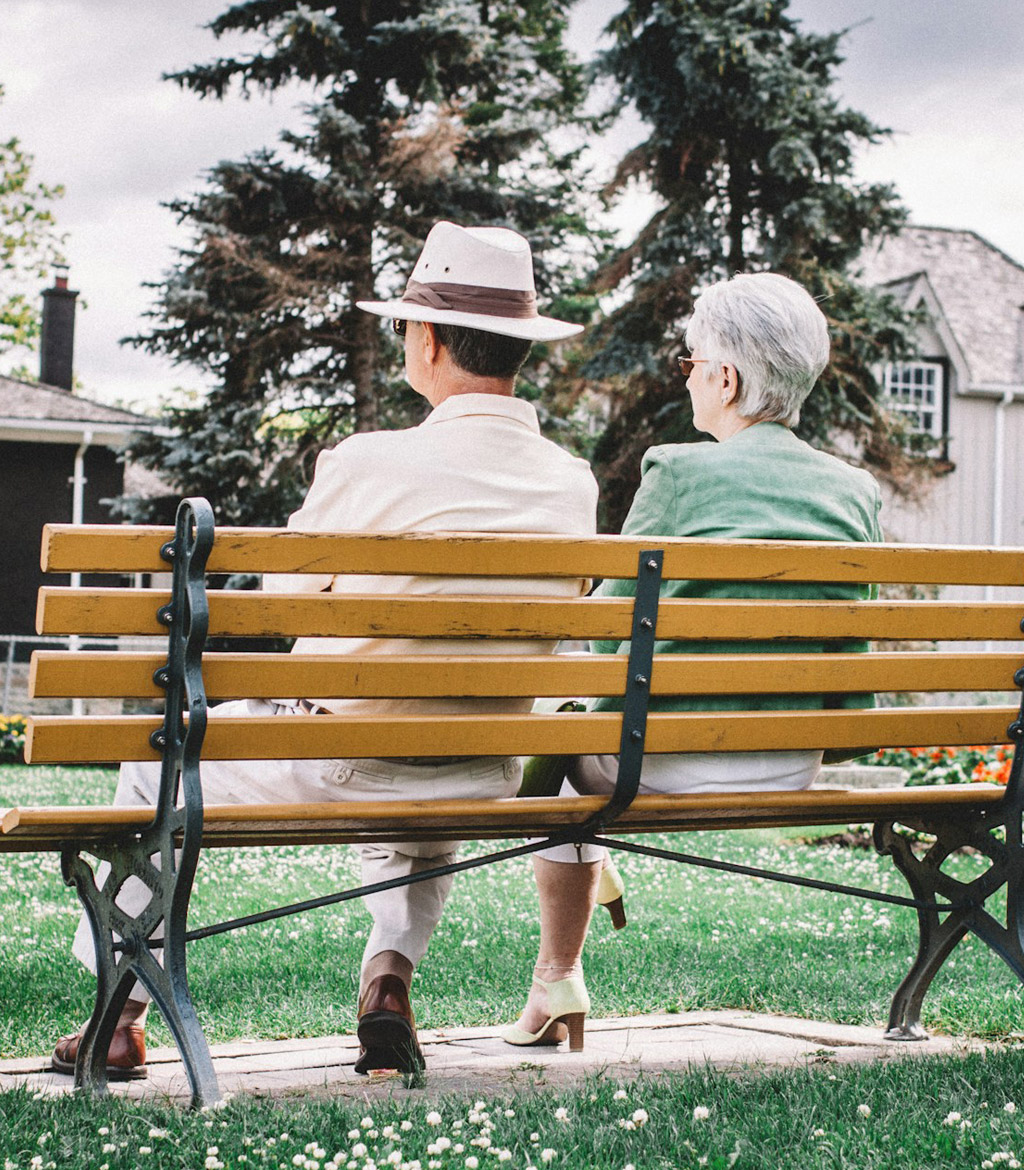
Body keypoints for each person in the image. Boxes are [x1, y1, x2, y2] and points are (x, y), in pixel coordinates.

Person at [52, 220, 598, 1080]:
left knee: (154, 768)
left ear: (426, 339)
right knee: (427, 755)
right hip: (480, 767)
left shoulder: (369, 460)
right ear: (519, 349)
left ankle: (117, 1013)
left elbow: (288, 604)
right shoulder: (572, 481)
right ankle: (387, 980)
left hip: (348, 761)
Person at [502, 271, 883, 1053]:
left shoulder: (676, 472)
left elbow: (607, 645)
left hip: (652, 767)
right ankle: (584, 873)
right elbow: (851, 663)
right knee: (577, 739)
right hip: (787, 768)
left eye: (692, 362)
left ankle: (558, 967)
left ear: (726, 377)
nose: (689, 376)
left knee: (562, 745)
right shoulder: (854, 491)